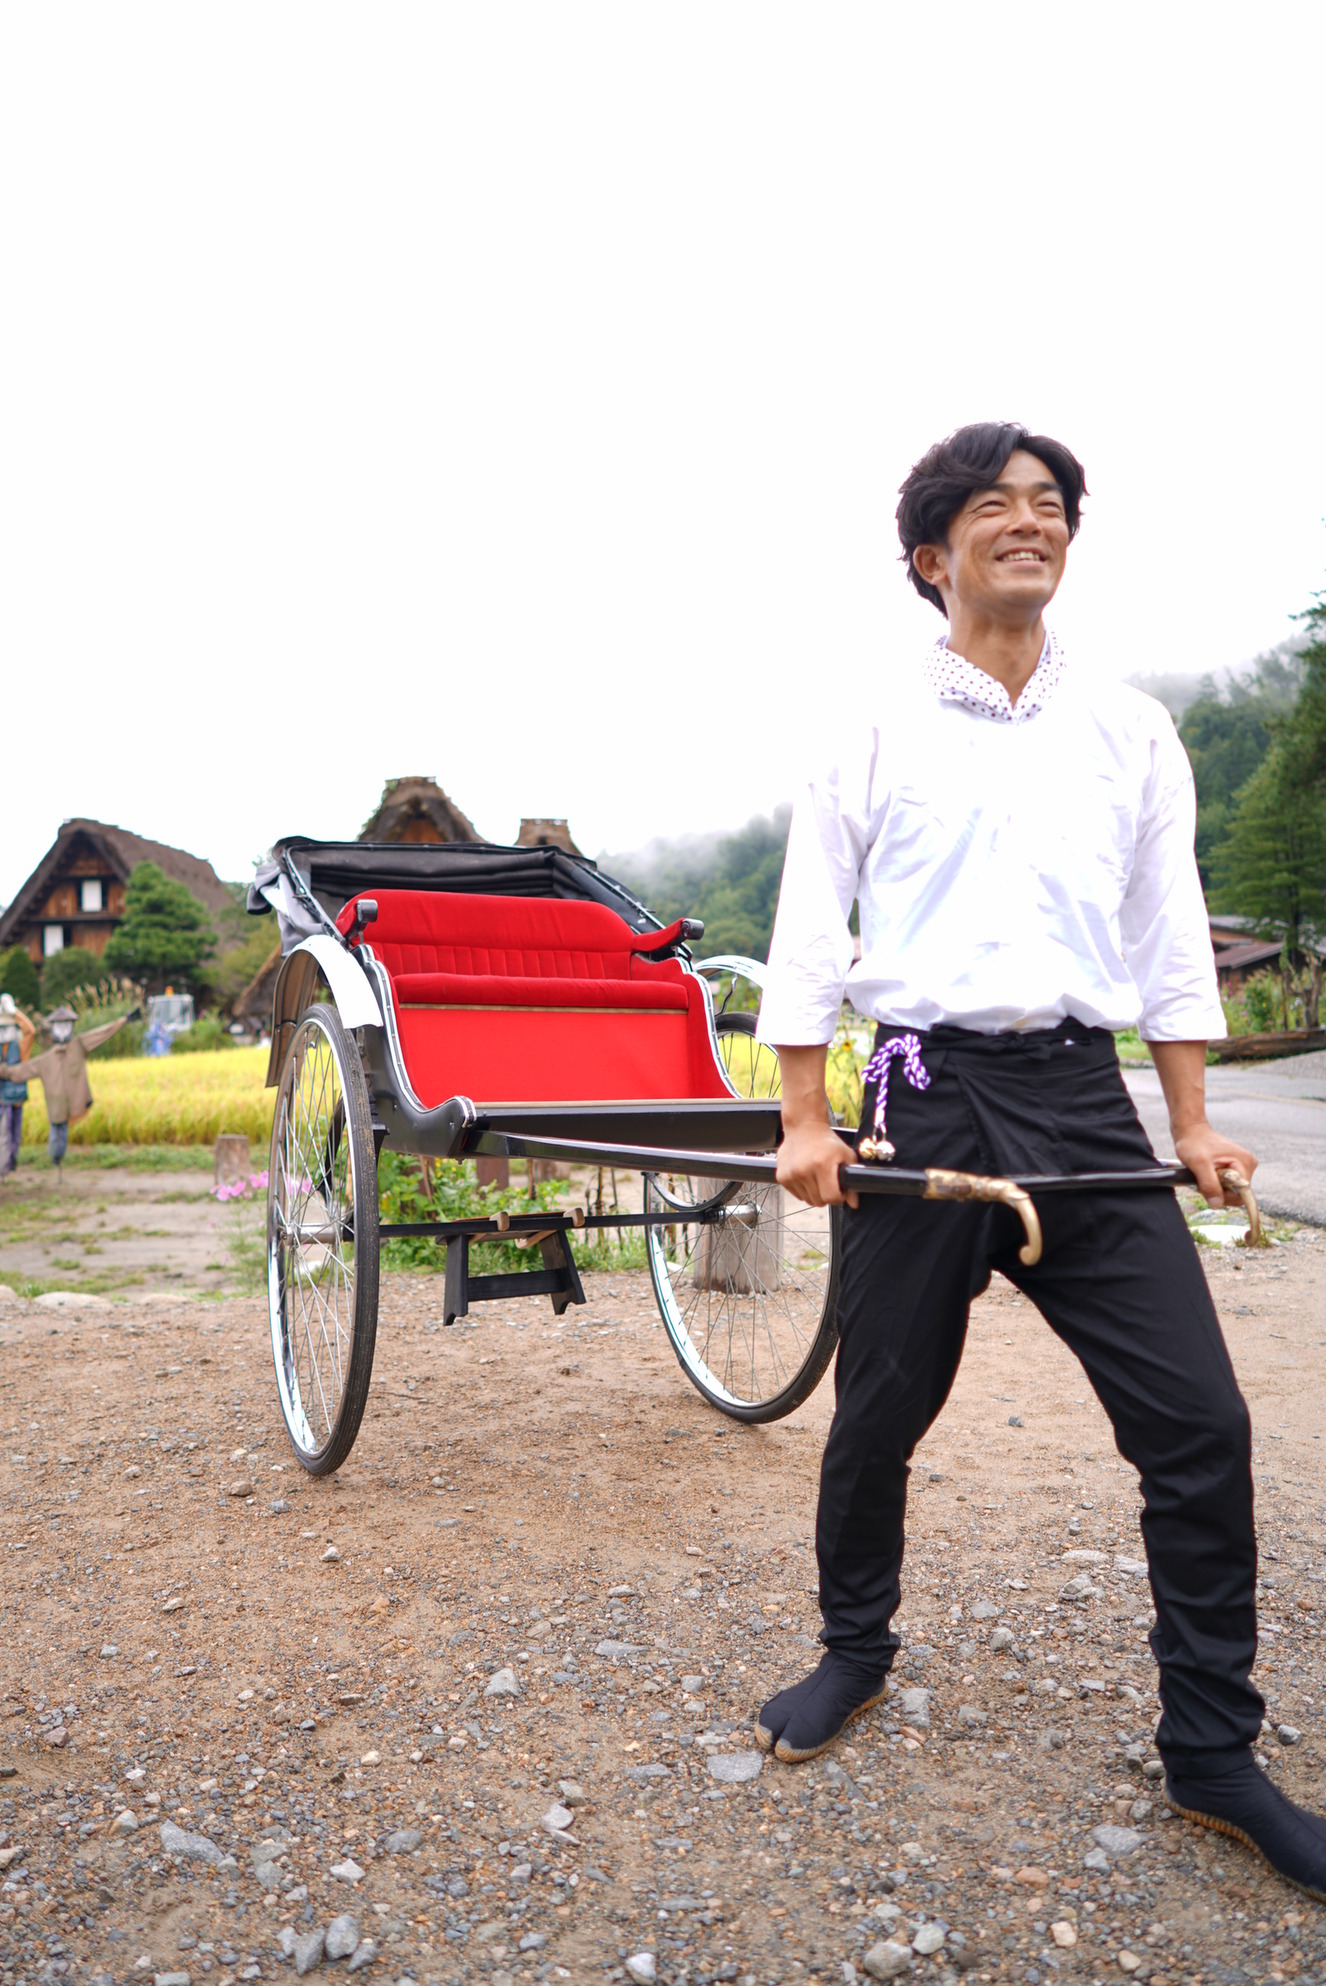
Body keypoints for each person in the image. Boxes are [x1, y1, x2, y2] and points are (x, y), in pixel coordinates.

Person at [752, 422, 1326, 1896]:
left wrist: (1190, 1119)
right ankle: (853, 1649)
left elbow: (1163, 932)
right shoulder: (868, 724)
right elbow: (812, 930)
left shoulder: (1130, 727)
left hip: (1081, 1103)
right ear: (931, 556)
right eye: (993, 506)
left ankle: (1210, 1751)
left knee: (1198, 1424)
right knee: (878, 1409)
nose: (1030, 521)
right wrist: (804, 1118)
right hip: (923, 1097)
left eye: (1050, 504)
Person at [14, 1003, 132, 1173]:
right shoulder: (46, 1059)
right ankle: (55, 1158)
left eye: (66, 1026)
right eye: (58, 1026)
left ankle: (58, 1158)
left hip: (74, 1099)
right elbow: (22, 1071)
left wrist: (123, 1020)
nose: (62, 1030)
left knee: (62, 1128)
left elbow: (100, 1034)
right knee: (57, 1128)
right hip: (55, 1103)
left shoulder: (78, 1045)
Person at [0, 992, 36, 1177]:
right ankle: (3, 1168)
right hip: (1, 1101)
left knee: (14, 1136)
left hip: (16, 1099)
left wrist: (14, 1012)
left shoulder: (20, 1047)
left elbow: (30, 1031)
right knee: (3, 1136)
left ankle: (8, 1166)